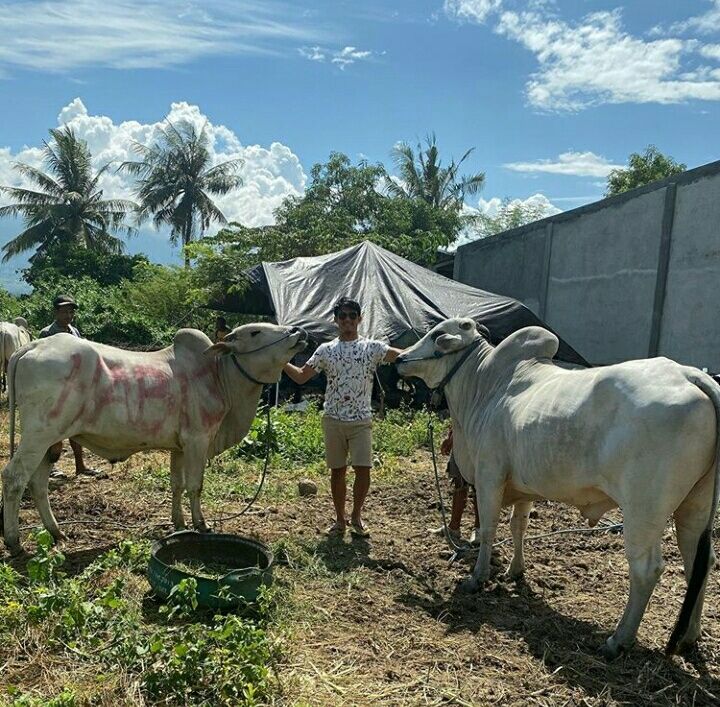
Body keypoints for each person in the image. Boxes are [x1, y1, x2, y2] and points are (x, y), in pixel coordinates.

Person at [283, 297, 403, 537]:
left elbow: (403, 356)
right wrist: (280, 360)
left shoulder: (372, 348)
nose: (347, 320)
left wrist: (432, 349)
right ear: (336, 320)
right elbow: (300, 377)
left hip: (360, 420)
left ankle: (356, 517)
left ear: (360, 319)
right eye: (342, 316)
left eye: (352, 315)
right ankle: (339, 520)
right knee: (337, 471)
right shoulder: (325, 350)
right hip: (333, 419)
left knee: (363, 469)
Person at [39, 294, 100, 477]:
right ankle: (51, 468)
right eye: (64, 311)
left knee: (75, 428)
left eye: (71, 311)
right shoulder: (46, 334)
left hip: (74, 389)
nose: (68, 315)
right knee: (53, 430)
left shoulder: (75, 332)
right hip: (54, 389)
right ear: (56, 312)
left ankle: (80, 466)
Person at [431, 425, 480, 545]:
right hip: (461, 439)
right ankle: (454, 527)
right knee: (459, 481)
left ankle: (479, 530)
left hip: (480, 438)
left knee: (479, 484)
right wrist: (452, 436)